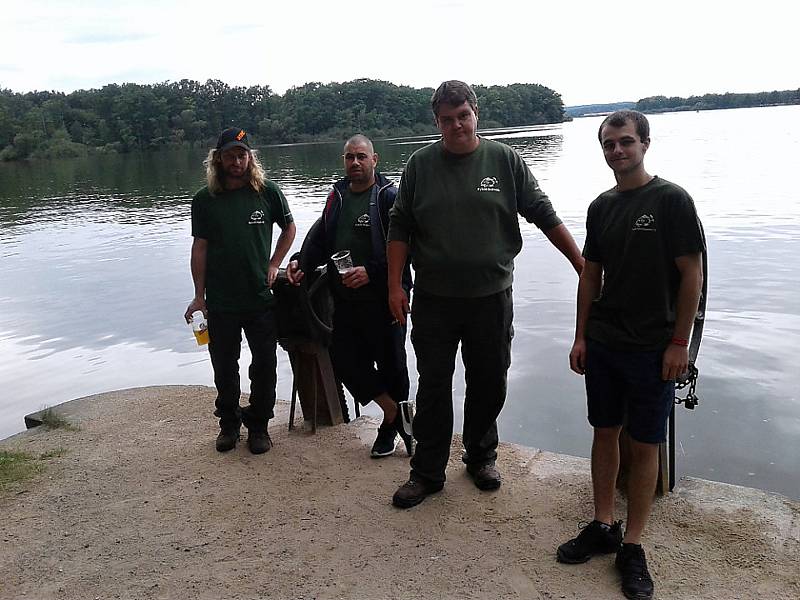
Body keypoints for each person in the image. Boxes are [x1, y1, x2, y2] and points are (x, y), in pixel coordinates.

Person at [387, 80, 584, 508]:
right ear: (436, 121)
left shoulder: (504, 160)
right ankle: (427, 471)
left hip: (491, 296)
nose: (456, 125)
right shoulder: (420, 165)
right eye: (446, 119)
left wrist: (581, 263)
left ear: (476, 113)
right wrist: (393, 286)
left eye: (463, 116)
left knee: (489, 381)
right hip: (435, 299)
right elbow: (399, 226)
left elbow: (542, 212)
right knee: (434, 385)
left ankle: (480, 456)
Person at [556, 110, 704, 600]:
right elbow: (590, 276)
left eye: (625, 142)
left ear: (645, 144)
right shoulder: (601, 207)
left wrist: (679, 343)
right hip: (604, 343)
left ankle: (633, 544)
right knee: (604, 432)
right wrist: (581, 336)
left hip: (653, 347)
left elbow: (691, 276)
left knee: (645, 445)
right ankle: (603, 524)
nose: (616, 151)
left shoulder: (671, 200)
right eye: (608, 144)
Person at [286, 134, 413, 458]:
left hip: (385, 298)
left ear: (375, 160)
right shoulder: (337, 197)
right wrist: (300, 260)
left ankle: (396, 434)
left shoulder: (388, 197)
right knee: (344, 361)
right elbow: (320, 238)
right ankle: (393, 413)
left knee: (393, 367)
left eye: (360, 156)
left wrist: (372, 271)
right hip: (344, 300)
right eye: (348, 157)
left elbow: (409, 246)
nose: (354, 163)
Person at [184, 127, 296, 454]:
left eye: (243, 154)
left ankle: (259, 425)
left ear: (250, 157)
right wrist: (198, 295)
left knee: (265, 365)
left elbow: (289, 227)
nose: (238, 160)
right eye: (231, 155)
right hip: (220, 302)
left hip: (260, 298)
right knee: (224, 366)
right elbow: (199, 249)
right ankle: (229, 424)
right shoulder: (205, 199)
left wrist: (276, 262)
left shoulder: (267, 191)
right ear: (218, 159)